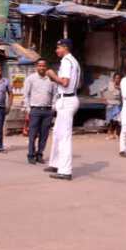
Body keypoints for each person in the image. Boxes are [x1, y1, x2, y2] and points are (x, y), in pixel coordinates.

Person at [42, 38, 81, 180]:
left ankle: (65, 171)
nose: (56, 50)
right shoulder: (74, 61)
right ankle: (55, 163)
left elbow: (64, 82)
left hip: (67, 99)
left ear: (65, 47)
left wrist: (53, 75)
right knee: (58, 133)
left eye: (58, 48)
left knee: (64, 136)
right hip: (67, 98)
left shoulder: (66, 61)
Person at [22, 58, 57, 164]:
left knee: (44, 135)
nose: (41, 67)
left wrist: (53, 107)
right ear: (36, 67)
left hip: (47, 111)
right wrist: (28, 109)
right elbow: (26, 95)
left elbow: (55, 94)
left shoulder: (51, 80)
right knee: (32, 134)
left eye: (43, 65)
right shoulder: (30, 79)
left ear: (46, 67)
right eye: (40, 65)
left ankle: (40, 154)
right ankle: (31, 155)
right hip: (35, 110)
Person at [102, 72, 122, 139]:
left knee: (116, 120)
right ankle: (110, 134)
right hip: (110, 104)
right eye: (116, 78)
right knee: (110, 120)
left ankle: (115, 133)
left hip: (118, 104)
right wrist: (104, 99)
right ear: (113, 79)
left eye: (118, 78)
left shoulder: (122, 86)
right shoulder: (110, 84)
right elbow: (101, 90)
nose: (117, 79)